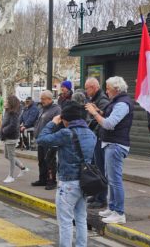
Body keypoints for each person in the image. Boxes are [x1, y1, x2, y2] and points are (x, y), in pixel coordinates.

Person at [37, 101, 96, 247]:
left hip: (68, 182)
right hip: (84, 182)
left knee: (66, 222)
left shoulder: (66, 133)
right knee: (81, 219)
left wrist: (52, 123)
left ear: (66, 119)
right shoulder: (90, 133)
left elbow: (41, 139)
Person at [85, 76, 133, 224]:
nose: (106, 91)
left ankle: (119, 212)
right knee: (111, 179)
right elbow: (108, 116)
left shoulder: (122, 104)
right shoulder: (117, 102)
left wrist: (94, 113)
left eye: (108, 88)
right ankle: (112, 207)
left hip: (116, 144)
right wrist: (99, 110)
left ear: (116, 89)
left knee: (115, 180)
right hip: (110, 144)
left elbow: (109, 124)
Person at [83, 77, 111, 209]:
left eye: (87, 88)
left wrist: (93, 131)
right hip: (96, 137)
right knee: (94, 168)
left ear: (94, 87)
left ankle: (101, 198)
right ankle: (95, 195)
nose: (86, 91)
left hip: (99, 138)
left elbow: (104, 119)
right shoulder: (95, 99)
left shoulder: (102, 100)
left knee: (99, 169)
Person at [32, 90, 61, 190]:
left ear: (49, 99)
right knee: (41, 161)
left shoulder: (56, 110)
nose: (41, 101)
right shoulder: (42, 109)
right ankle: (42, 179)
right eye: (41, 99)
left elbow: (57, 124)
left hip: (50, 140)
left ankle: (51, 181)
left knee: (50, 161)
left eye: (43, 99)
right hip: (41, 140)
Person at [0, 95, 28, 183]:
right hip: (7, 136)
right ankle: (23, 168)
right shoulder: (8, 111)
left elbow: (13, 126)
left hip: (11, 137)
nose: (5, 103)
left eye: (6, 101)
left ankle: (11, 176)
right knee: (7, 155)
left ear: (11, 103)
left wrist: (4, 130)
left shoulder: (14, 113)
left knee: (11, 157)